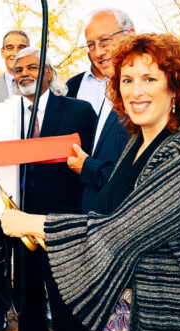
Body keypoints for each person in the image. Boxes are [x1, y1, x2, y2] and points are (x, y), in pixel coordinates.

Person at [1, 34, 180, 331]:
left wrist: (32, 224)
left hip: (178, 324)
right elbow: (102, 215)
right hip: (126, 316)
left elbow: (121, 230)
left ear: (175, 88)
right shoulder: (136, 143)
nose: (136, 91)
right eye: (127, 80)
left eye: (150, 78)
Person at [11, 47, 97, 331]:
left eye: (32, 67)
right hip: (19, 220)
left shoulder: (79, 111)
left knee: (65, 302)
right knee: (27, 296)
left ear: (49, 72)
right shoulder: (8, 115)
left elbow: (90, 164)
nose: (25, 75)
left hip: (63, 222)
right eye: (19, 70)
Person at [0, 28, 32, 331]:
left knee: (29, 249)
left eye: (22, 47)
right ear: (2, 52)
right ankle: (0, 304)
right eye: (9, 47)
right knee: (0, 250)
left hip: (31, 180)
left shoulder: (41, 87)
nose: (15, 52)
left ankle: (28, 302)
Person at [65, 8, 133, 213]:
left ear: (130, 35)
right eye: (91, 45)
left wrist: (87, 168)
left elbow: (141, 176)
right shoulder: (111, 90)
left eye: (105, 41)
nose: (98, 52)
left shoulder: (143, 96)